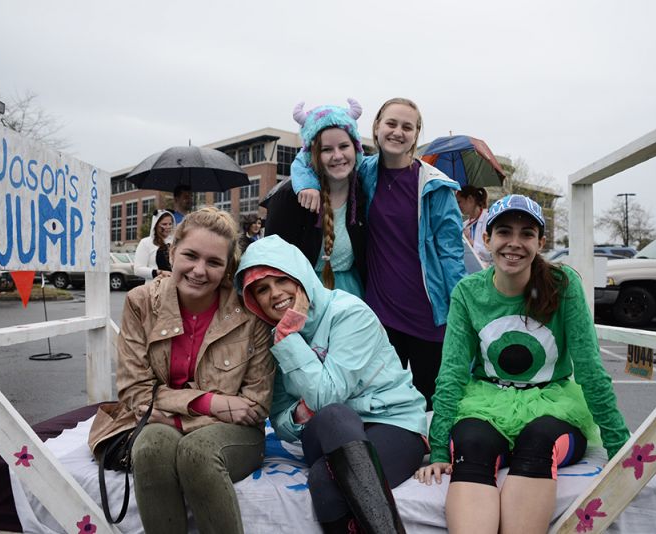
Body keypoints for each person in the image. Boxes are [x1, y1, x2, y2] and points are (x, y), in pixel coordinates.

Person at [415, 195, 630, 534]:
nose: (514, 243)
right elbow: (453, 370)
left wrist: (620, 445)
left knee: (538, 441)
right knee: (472, 445)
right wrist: (440, 446)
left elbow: (589, 367)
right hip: (487, 400)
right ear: (486, 239)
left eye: (526, 233)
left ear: (540, 242)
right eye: (504, 232)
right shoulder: (468, 292)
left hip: (552, 403)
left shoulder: (563, 286)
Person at [88, 207, 275, 534]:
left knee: (198, 453)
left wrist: (173, 414)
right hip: (171, 421)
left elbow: (255, 406)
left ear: (227, 268)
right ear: (171, 253)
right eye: (190, 255)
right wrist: (209, 403)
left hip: (236, 435)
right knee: (150, 447)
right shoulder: (140, 303)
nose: (199, 271)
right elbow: (135, 392)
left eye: (214, 262)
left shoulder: (248, 311)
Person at [236, 235, 427, 534]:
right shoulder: (271, 338)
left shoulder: (349, 313)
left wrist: (289, 339)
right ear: (253, 301)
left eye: (282, 280)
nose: (275, 294)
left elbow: (326, 396)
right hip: (324, 436)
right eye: (262, 289)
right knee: (334, 416)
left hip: (392, 422)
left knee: (324, 485)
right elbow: (282, 421)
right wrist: (301, 413)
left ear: (300, 274)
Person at [292, 97, 464, 409]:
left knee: (434, 403)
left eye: (407, 127)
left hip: (430, 316)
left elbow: (452, 257)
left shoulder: (435, 187)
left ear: (416, 134)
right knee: (384, 405)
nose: (398, 132)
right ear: (376, 128)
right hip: (380, 316)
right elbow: (308, 159)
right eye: (391, 124)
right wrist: (308, 186)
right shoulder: (364, 173)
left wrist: (461, 314)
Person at [264, 99, 367, 298]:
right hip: (304, 296)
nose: (338, 156)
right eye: (327, 149)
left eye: (344, 146)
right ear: (312, 154)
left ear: (356, 148)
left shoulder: (363, 190)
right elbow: (273, 262)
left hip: (354, 295)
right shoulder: (289, 197)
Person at [456, 185, 492, 266]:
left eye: (459, 202)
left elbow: (492, 253)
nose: (457, 206)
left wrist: (471, 243)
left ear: (470, 199)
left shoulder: (489, 219)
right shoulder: (464, 225)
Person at [134, 210, 174, 281]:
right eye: (164, 224)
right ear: (156, 225)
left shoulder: (175, 241)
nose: (168, 227)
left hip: (173, 287)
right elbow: (137, 269)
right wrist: (160, 272)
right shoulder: (146, 242)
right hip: (153, 287)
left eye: (170, 224)